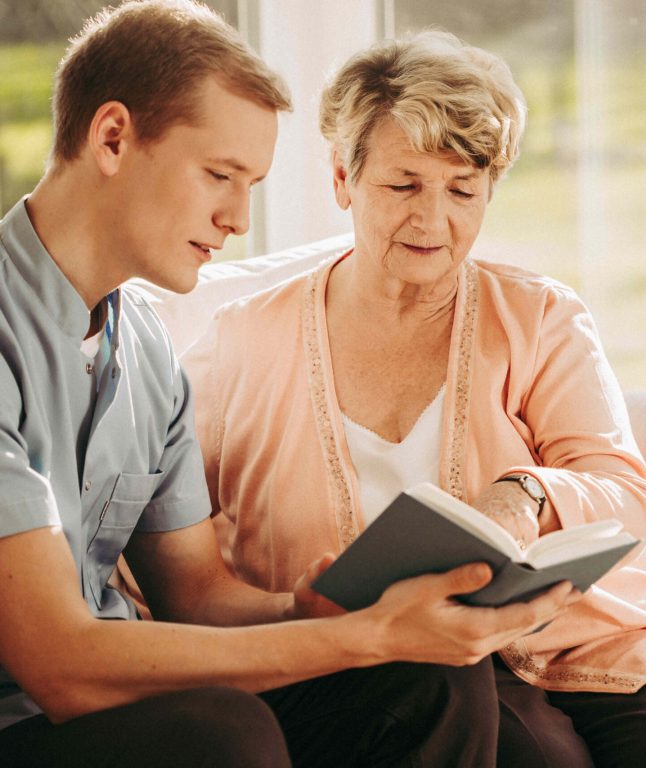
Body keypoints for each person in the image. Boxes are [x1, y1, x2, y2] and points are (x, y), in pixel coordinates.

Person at [0, 6, 582, 767]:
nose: (240, 218)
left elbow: (200, 599)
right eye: (219, 176)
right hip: (31, 717)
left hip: (120, 701)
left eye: (253, 185)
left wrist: (309, 609)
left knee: (430, 682)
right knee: (222, 735)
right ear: (112, 138)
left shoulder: (142, 348)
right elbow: (61, 667)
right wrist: (358, 637)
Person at [182, 30, 646, 767]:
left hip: (586, 631)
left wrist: (524, 493)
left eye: (462, 190)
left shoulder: (539, 317)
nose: (433, 221)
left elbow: (625, 490)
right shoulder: (239, 342)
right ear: (342, 176)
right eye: (404, 185)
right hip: (403, 660)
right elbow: (171, 531)